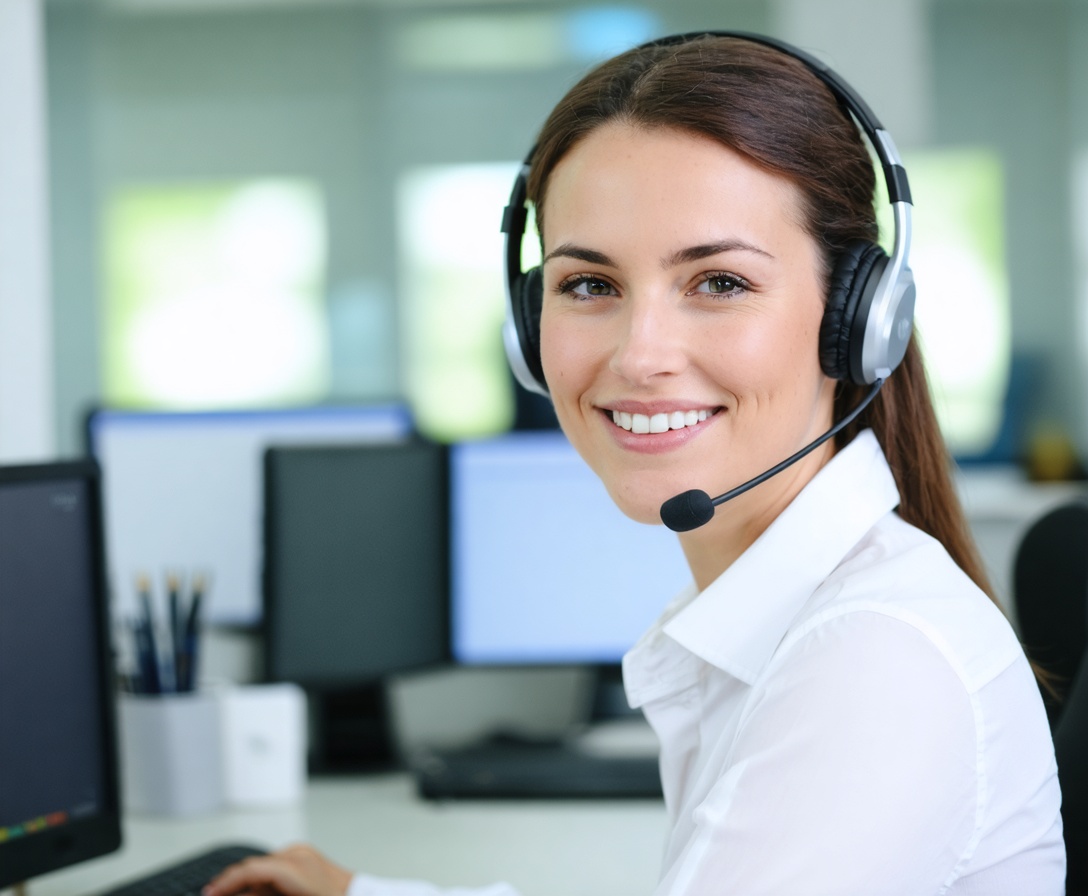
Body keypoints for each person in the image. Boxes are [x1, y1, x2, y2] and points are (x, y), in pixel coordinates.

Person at [205, 32, 1065, 896]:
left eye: (719, 283)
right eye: (589, 285)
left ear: (858, 320)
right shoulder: (799, 615)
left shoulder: (873, 663)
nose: (640, 355)